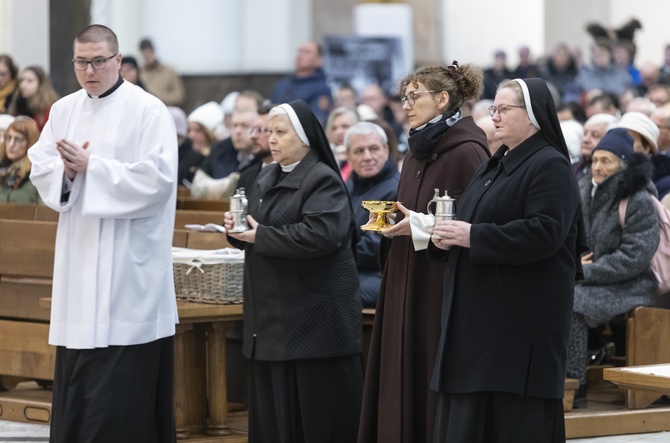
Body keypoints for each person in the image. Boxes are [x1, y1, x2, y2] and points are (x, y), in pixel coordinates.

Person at [27, 24, 178, 443]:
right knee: (78, 379)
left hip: (128, 270)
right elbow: (41, 164)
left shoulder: (149, 110)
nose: (89, 70)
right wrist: (68, 173)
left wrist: (93, 168)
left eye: (98, 61)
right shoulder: (64, 110)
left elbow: (159, 181)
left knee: (120, 391)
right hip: (80, 261)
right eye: (81, 62)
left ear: (118, 61)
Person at [429, 78, 586, 442]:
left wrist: (472, 236)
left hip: (518, 324)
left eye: (503, 109)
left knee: (512, 424)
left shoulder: (549, 165)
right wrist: (433, 233)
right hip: (480, 321)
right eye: (492, 109)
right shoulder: (495, 164)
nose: (494, 116)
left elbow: (546, 232)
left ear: (531, 115)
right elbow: (465, 221)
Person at [359, 62, 489, 443]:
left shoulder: (468, 151)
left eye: (414, 96)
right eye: (404, 97)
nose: (406, 105)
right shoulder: (416, 151)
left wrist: (419, 226)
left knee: (427, 361)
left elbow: (474, 220)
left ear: (443, 99)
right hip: (404, 272)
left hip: (438, 279)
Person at [223, 99, 362, 443]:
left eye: (281, 132)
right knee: (272, 414)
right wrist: (236, 231)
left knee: (312, 415)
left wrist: (260, 235)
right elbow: (256, 229)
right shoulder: (266, 175)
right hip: (270, 315)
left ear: (304, 137)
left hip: (311, 319)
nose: (271, 139)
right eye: (270, 131)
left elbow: (322, 235)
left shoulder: (322, 180)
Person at [566, 128, 659, 407]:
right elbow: (568, 235)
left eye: (606, 161)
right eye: (595, 160)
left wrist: (584, 272)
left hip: (632, 283)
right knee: (549, 293)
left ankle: (574, 384)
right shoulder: (583, 189)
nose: (598, 167)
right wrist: (572, 263)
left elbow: (634, 257)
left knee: (571, 302)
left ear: (623, 164)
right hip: (590, 276)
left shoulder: (638, 198)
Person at [344, 121, 400, 308]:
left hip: (380, 275)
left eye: (374, 148)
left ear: (386, 150)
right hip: (349, 269)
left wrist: (331, 252)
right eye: (359, 151)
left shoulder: (393, 190)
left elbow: (374, 249)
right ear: (348, 156)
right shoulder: (348, 186)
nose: (367, 157)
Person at [271, 41, 333, 125]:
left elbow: (318, 119)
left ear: (319, 60)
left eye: (307, 52)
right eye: (299, 51)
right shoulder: (282, 84)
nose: (300, 55)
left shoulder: (322, 89)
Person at [0, 116, 41, 203]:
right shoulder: (2, 169)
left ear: (30, 143)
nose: (11, 144)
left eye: (18, 139)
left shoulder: (37, 173)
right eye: (8, 138)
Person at [8, 66, 59, 132]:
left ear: (41, 84)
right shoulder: (17, 102)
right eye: (22, 80)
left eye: (30, 81)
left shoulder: (49, 107)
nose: (23, 85)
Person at [235, 103, 273, 192]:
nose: (253, 136)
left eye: (261, 130)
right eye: (252, 130)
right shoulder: (246, 176)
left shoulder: (290, 175)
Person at [139, 37, 186, 107]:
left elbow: (179, 96)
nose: (147, 56)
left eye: (149, 52)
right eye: (144, 54)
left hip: (165, 107)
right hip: (144, 108)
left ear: (154, 51)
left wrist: (160, 97)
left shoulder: (169, 72)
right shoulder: (139, 73)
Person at [573, 113, 618, 180]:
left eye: (595, 135)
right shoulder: (572, 166)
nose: (586, 140)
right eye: (585, 134)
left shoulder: (608, 173)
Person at [325, 106, 360, 179]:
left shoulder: (363, 158)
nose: (339, 132)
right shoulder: (325, 159)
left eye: (345, 126)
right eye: (334, 128)